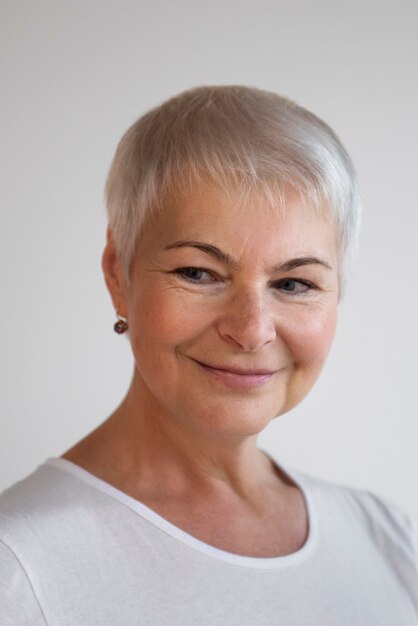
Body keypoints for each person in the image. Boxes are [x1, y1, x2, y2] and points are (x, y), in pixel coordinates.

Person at [0, 85, 417, 625]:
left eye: (293, 283)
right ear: (117, 275)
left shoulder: (387, 540)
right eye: (198, 273)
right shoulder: (20, 567)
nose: (251, 330)